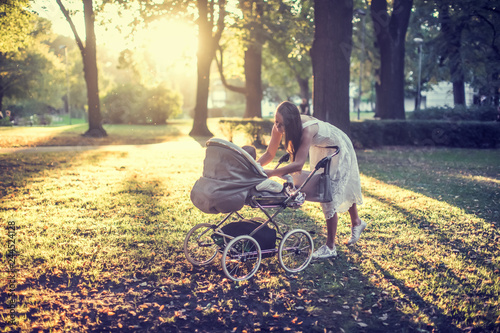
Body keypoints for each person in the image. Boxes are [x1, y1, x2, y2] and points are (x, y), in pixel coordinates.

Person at [257, 101, 365, 259]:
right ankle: (356, 222)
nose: (278, 128)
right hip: (320, 148)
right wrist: (253, 167)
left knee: (327, 192)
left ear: (292, 123)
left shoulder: (307, 130)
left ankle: (330, 247)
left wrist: (271, 173)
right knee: (333, 187)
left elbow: (298, 164)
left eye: (282, 125)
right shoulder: (280, 126)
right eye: (276, 122)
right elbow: (269, 154)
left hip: (337, 147)